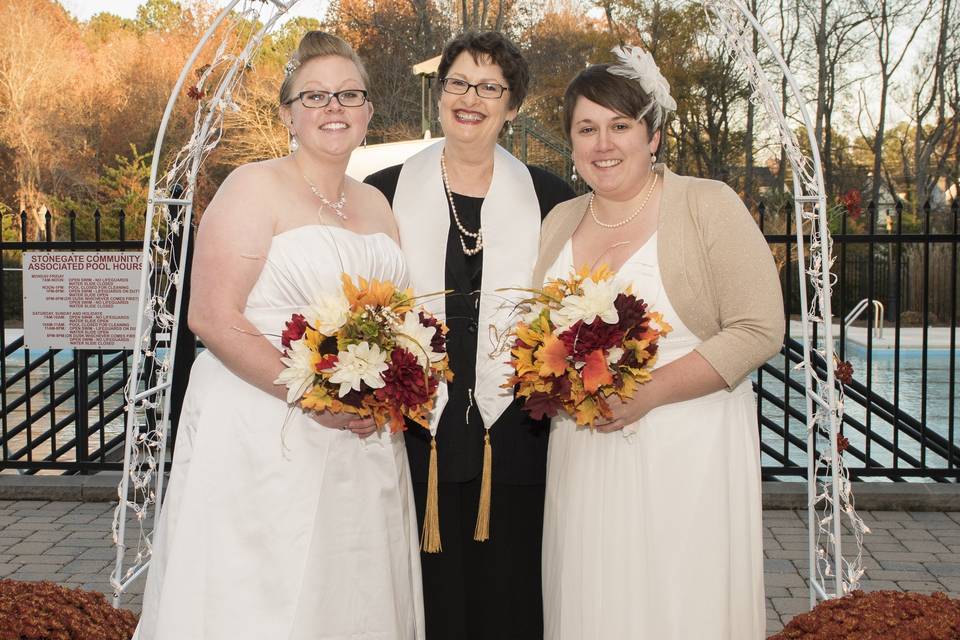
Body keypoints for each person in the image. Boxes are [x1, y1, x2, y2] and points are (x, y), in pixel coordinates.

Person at [135, 32, 424, 640]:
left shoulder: (376, 204)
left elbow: (394, 321)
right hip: (265, 430)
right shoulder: (252, 186)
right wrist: (315, 397)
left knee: (350, 593)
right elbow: (212, 317)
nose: (333, 108)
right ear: (288, 112)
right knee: (264, 594)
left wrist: (389, 388)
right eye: (314, 96)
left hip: (363, 440)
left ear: (370, 112)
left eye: (349, 94)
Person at [534, 47, 784, 639]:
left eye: (620, 126)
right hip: (584, 453)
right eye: (586, 128)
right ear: (570, 141)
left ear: (654, 135)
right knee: (594, 601)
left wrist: (649, 393)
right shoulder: (559, 221)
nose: (603, 144)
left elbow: (759, 327)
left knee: (678, 602)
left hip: (687, 448)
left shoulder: (706, 203)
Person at [365, 30, 574, 640]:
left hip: (513, 428)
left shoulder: (549, 196)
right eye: (459, 82)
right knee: (428, 595)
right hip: (414, 425)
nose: (471, 98)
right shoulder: (384, 192)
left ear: (512, 107)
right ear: (439, 94)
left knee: (508, 588)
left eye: (490, 87)